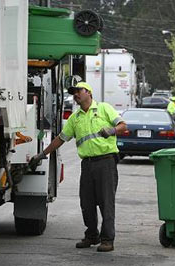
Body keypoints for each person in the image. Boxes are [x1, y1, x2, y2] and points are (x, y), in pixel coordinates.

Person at [29, 81, 127, 252]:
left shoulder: (104, 108)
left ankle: (107, 240)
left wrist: (112, 130)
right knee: (86, 203)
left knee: (106, 203)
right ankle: (92, 235)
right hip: (87, 165)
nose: (75, 95)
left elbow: (123, 125)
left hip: (106, 162)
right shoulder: (75, 118)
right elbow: (60, 139)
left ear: (88, 92)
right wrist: (42, 155)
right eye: (73, 92)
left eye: (78, 91)